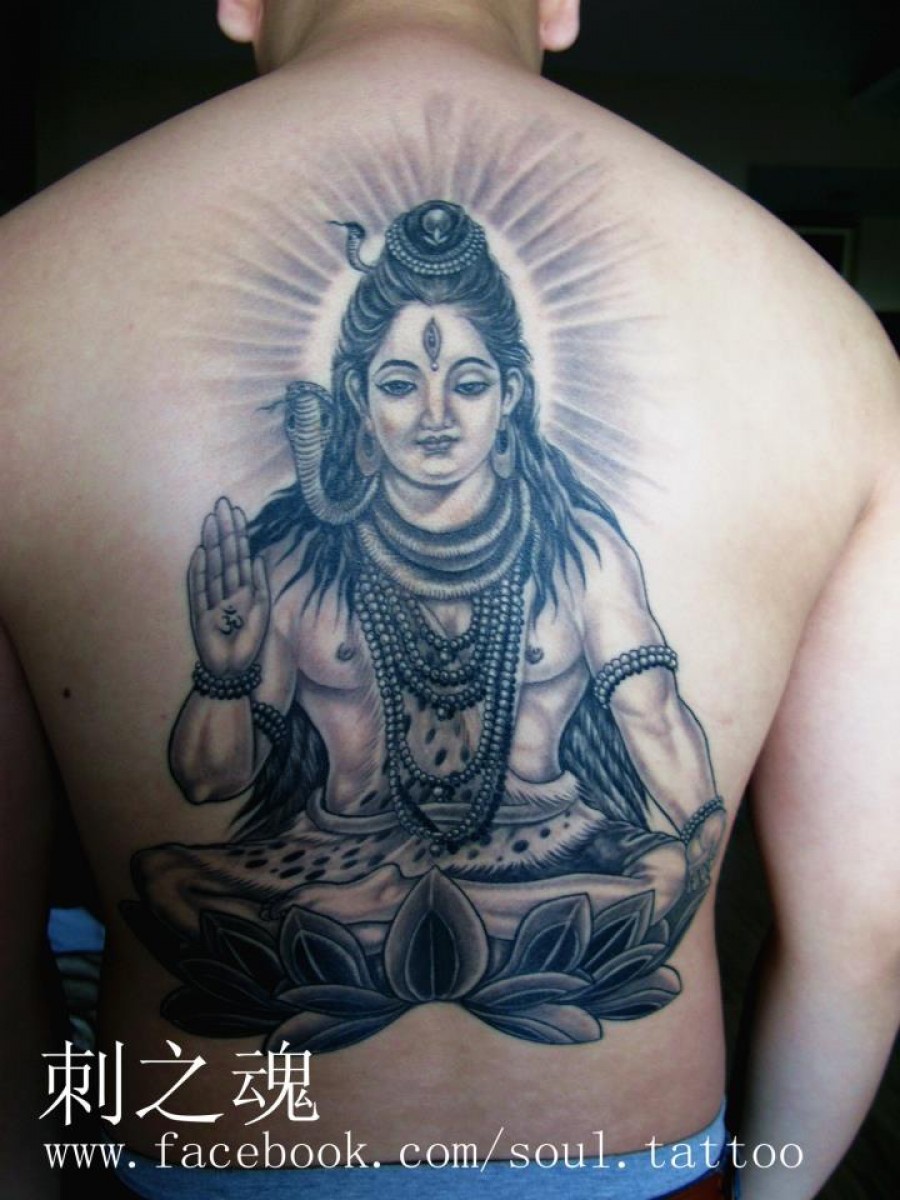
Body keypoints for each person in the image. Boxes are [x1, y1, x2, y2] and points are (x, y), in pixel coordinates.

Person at [0, 2, 897, 1198]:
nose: (434, 416)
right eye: (398, 383)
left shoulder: (24, 289)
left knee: (638, 876)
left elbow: (659, 741)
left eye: (467, 380)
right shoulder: (827, 336)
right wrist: (224, 667)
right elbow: (863, 944)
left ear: (512, 392)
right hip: (347, 900)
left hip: (537, 883)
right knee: (182, 877)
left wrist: (680, 814)